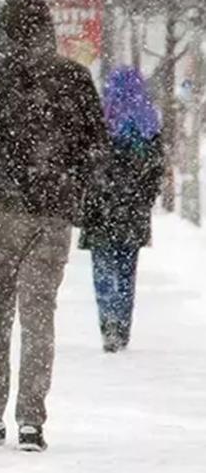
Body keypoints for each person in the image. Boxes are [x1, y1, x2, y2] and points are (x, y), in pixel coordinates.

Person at [0, 0, 109, 452]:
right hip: (52, 212)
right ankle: (31, 420)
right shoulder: (74, 78)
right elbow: (97, 146)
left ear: (4, 28)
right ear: (49, 28)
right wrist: (62, 169)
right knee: (40, 317)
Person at [80, 67, 164, 353]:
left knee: (102, 269)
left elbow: (86, 163)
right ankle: (122, 326)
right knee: (127, 271)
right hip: (133, 210)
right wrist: (145, 199)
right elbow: (156, 169)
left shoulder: (101, 117)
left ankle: (108, 325)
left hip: (101, 208)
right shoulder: (149, 122)